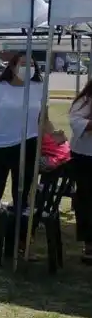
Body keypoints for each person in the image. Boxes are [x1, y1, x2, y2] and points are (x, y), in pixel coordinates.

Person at [0, 52, 54, 258]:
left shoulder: (39, 88)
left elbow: (43, 119)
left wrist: (54, 134)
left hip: (28, 146)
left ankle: (20, 240)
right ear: (12, 66)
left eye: (31, 64)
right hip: (0, 148)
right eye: (23, 64)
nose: (27, 68)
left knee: (21, 196)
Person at [68, 81, 92, 263]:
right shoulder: (84, 101)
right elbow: (76, 123)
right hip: (84, 157)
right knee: (86, 200)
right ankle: (89, 244)